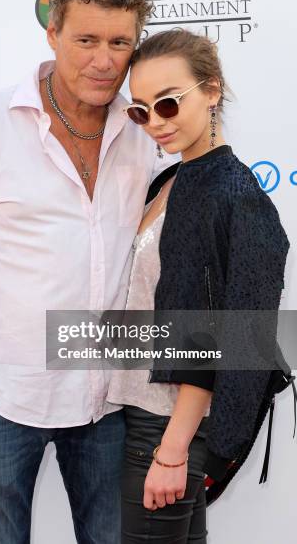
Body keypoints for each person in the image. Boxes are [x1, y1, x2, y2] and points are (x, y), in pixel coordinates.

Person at [0, 0, 175, 544]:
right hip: (3, 395)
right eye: (85, 39)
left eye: (119, 42)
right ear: (52, 33)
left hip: (105, 396)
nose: (103, 60)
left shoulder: (143, 134)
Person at [107, 29, 293, 543]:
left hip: (169, 424)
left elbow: (231, 333)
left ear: (211, 91)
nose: (155, 124)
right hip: (144, 412)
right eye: (141, 111)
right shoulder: (173, 180)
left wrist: (173, 449)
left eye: (168, 104)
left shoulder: (233, 193)